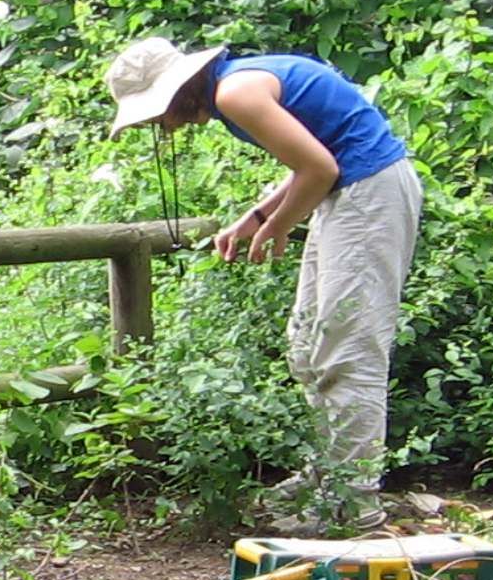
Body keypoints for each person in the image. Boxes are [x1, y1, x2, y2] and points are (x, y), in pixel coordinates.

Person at [103, 36, 423, 529]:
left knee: (348, 350)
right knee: (307, 345)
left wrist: (277, 228)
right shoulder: (237, 84)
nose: (161, 126)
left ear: (177, 90)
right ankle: (327, 476)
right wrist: (256, 216)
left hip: (369, 192)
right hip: (353, 192)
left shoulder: (236, 94)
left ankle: (355, 508)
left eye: (155, 114)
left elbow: (320, 168)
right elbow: (312, 160)